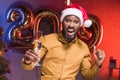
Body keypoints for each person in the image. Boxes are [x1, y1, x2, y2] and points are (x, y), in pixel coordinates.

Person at [21, 4, 105, 80]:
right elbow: (28, 66)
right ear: (62, 21)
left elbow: (87, 76)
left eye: (75, 22)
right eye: (67, 20)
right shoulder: (47, 40)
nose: (71, 25)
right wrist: (28, 61)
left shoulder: (83, 48)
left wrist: (98, 63)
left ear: (80, 25)